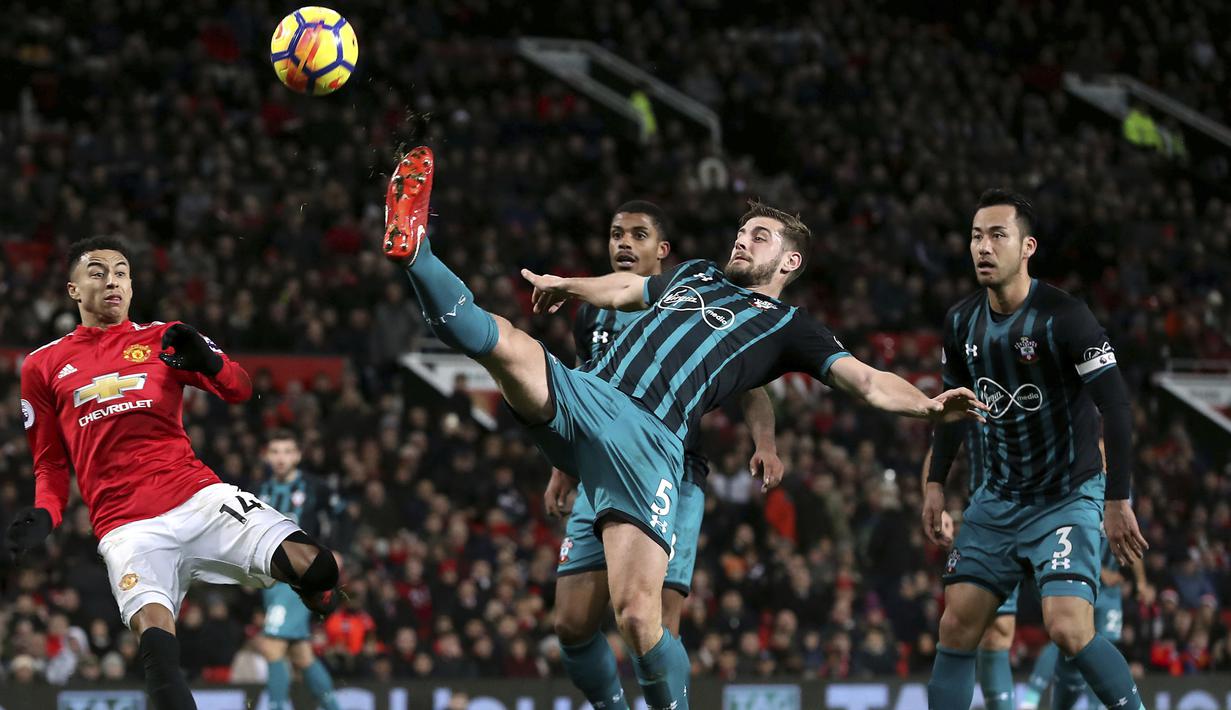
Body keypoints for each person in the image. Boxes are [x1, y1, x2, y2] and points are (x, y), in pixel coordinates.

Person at [383, 147, 983, 709]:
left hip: (650, 439)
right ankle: (416, 250)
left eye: (760, 237)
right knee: (505, 345)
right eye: (743, 233)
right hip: (590, 397)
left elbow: (869, 380)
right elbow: (627, 288)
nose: (743, 242)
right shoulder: (694, 273)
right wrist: (568, 284)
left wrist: (929, 407)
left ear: (790, 261)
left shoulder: (790, 326)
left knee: (639, 617)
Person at [9, 237, 342, 710]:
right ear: (73, 290)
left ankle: (317, 588)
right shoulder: (42, 365)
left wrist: (208, 361)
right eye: (98, 271)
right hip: (127, 527)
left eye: (122, 272)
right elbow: (49, 461)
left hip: (197, 497)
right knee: (157, 647)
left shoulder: (165, 337)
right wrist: (47, 514)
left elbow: (241, 389)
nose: (113, 281)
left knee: (319, 564)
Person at [541, 201, 782, 709]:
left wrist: (765, 442)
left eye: (638, 235)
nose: (624, 244)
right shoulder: (590, 313)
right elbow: (585, 387)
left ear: (662, 252)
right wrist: (564, 467)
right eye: (616, 234)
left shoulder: (689, 299)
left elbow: (752, 387)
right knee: (570, 622)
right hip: (599, 469)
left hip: (673, 473)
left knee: (652, 623)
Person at [922, 189, 1149, 709]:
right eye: (977, 235)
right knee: (956, 624)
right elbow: (955, 410)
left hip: (1066, 497)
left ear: (1028, 247)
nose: (983, 246)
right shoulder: (960, 322)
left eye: (997, 235)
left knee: (1068, 627)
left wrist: (1117, 501)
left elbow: (1116, 407)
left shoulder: (1065, 317)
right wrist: (936, 485)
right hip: (997, 499)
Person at [921, 421, 1018, 710]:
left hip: (1048, 509)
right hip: (989, 517)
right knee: (995, 629)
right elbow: (940, 447)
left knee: (1069, 624)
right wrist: (932, 498)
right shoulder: (972, 385)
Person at [257, 431, 343, 710]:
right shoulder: (261, 491)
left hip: (300, 576)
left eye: (287, 451)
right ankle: (333, 707)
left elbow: (341, 516)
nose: (281, 458)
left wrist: (337, 551)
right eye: (275, 452)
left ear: (297, 456)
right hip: (271, 578)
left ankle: (277, 706)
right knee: (301, 653)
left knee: (272, 646)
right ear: (268, 456)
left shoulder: (316, 487)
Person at [1019, 537, 1139, 710]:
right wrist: (1103, 570)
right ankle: (1030, 698)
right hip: (1084, 579)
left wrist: (1141, 581)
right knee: (1067, 636)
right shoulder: (1099, 510)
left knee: (1103, 648)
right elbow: (1076, 533)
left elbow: (1133, 540)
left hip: (1111, 593)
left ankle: (1096, 706)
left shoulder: (1126, 511)